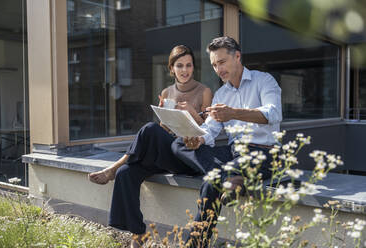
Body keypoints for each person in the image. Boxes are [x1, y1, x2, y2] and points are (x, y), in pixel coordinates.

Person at [88, 45, 212, 248]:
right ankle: (138, 234)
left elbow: (209, 131)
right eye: (179, 65)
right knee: (127, 173)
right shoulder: (167, 92)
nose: (184, 70)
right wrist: (164, 115)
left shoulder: (204, 91)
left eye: (188, 65)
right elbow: (164, 130)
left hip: (189, 156)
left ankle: (114, 166)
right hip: (167, 153)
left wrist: (192, 112)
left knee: (148, 129)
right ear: (171, 68)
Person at [171, 36, 282, 247]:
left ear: (237, 56)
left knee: (210, 181)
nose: (218, 69)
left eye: (221, 62)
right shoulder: (221, 93)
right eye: (214, 64)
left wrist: (234, 113)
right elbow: (210, 129)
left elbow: (274, 113)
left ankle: (194, 244)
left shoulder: (264, 80)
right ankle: (230, 176)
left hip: (264, 152)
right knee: (178, 144)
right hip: (234, 153)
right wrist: (198, 139)